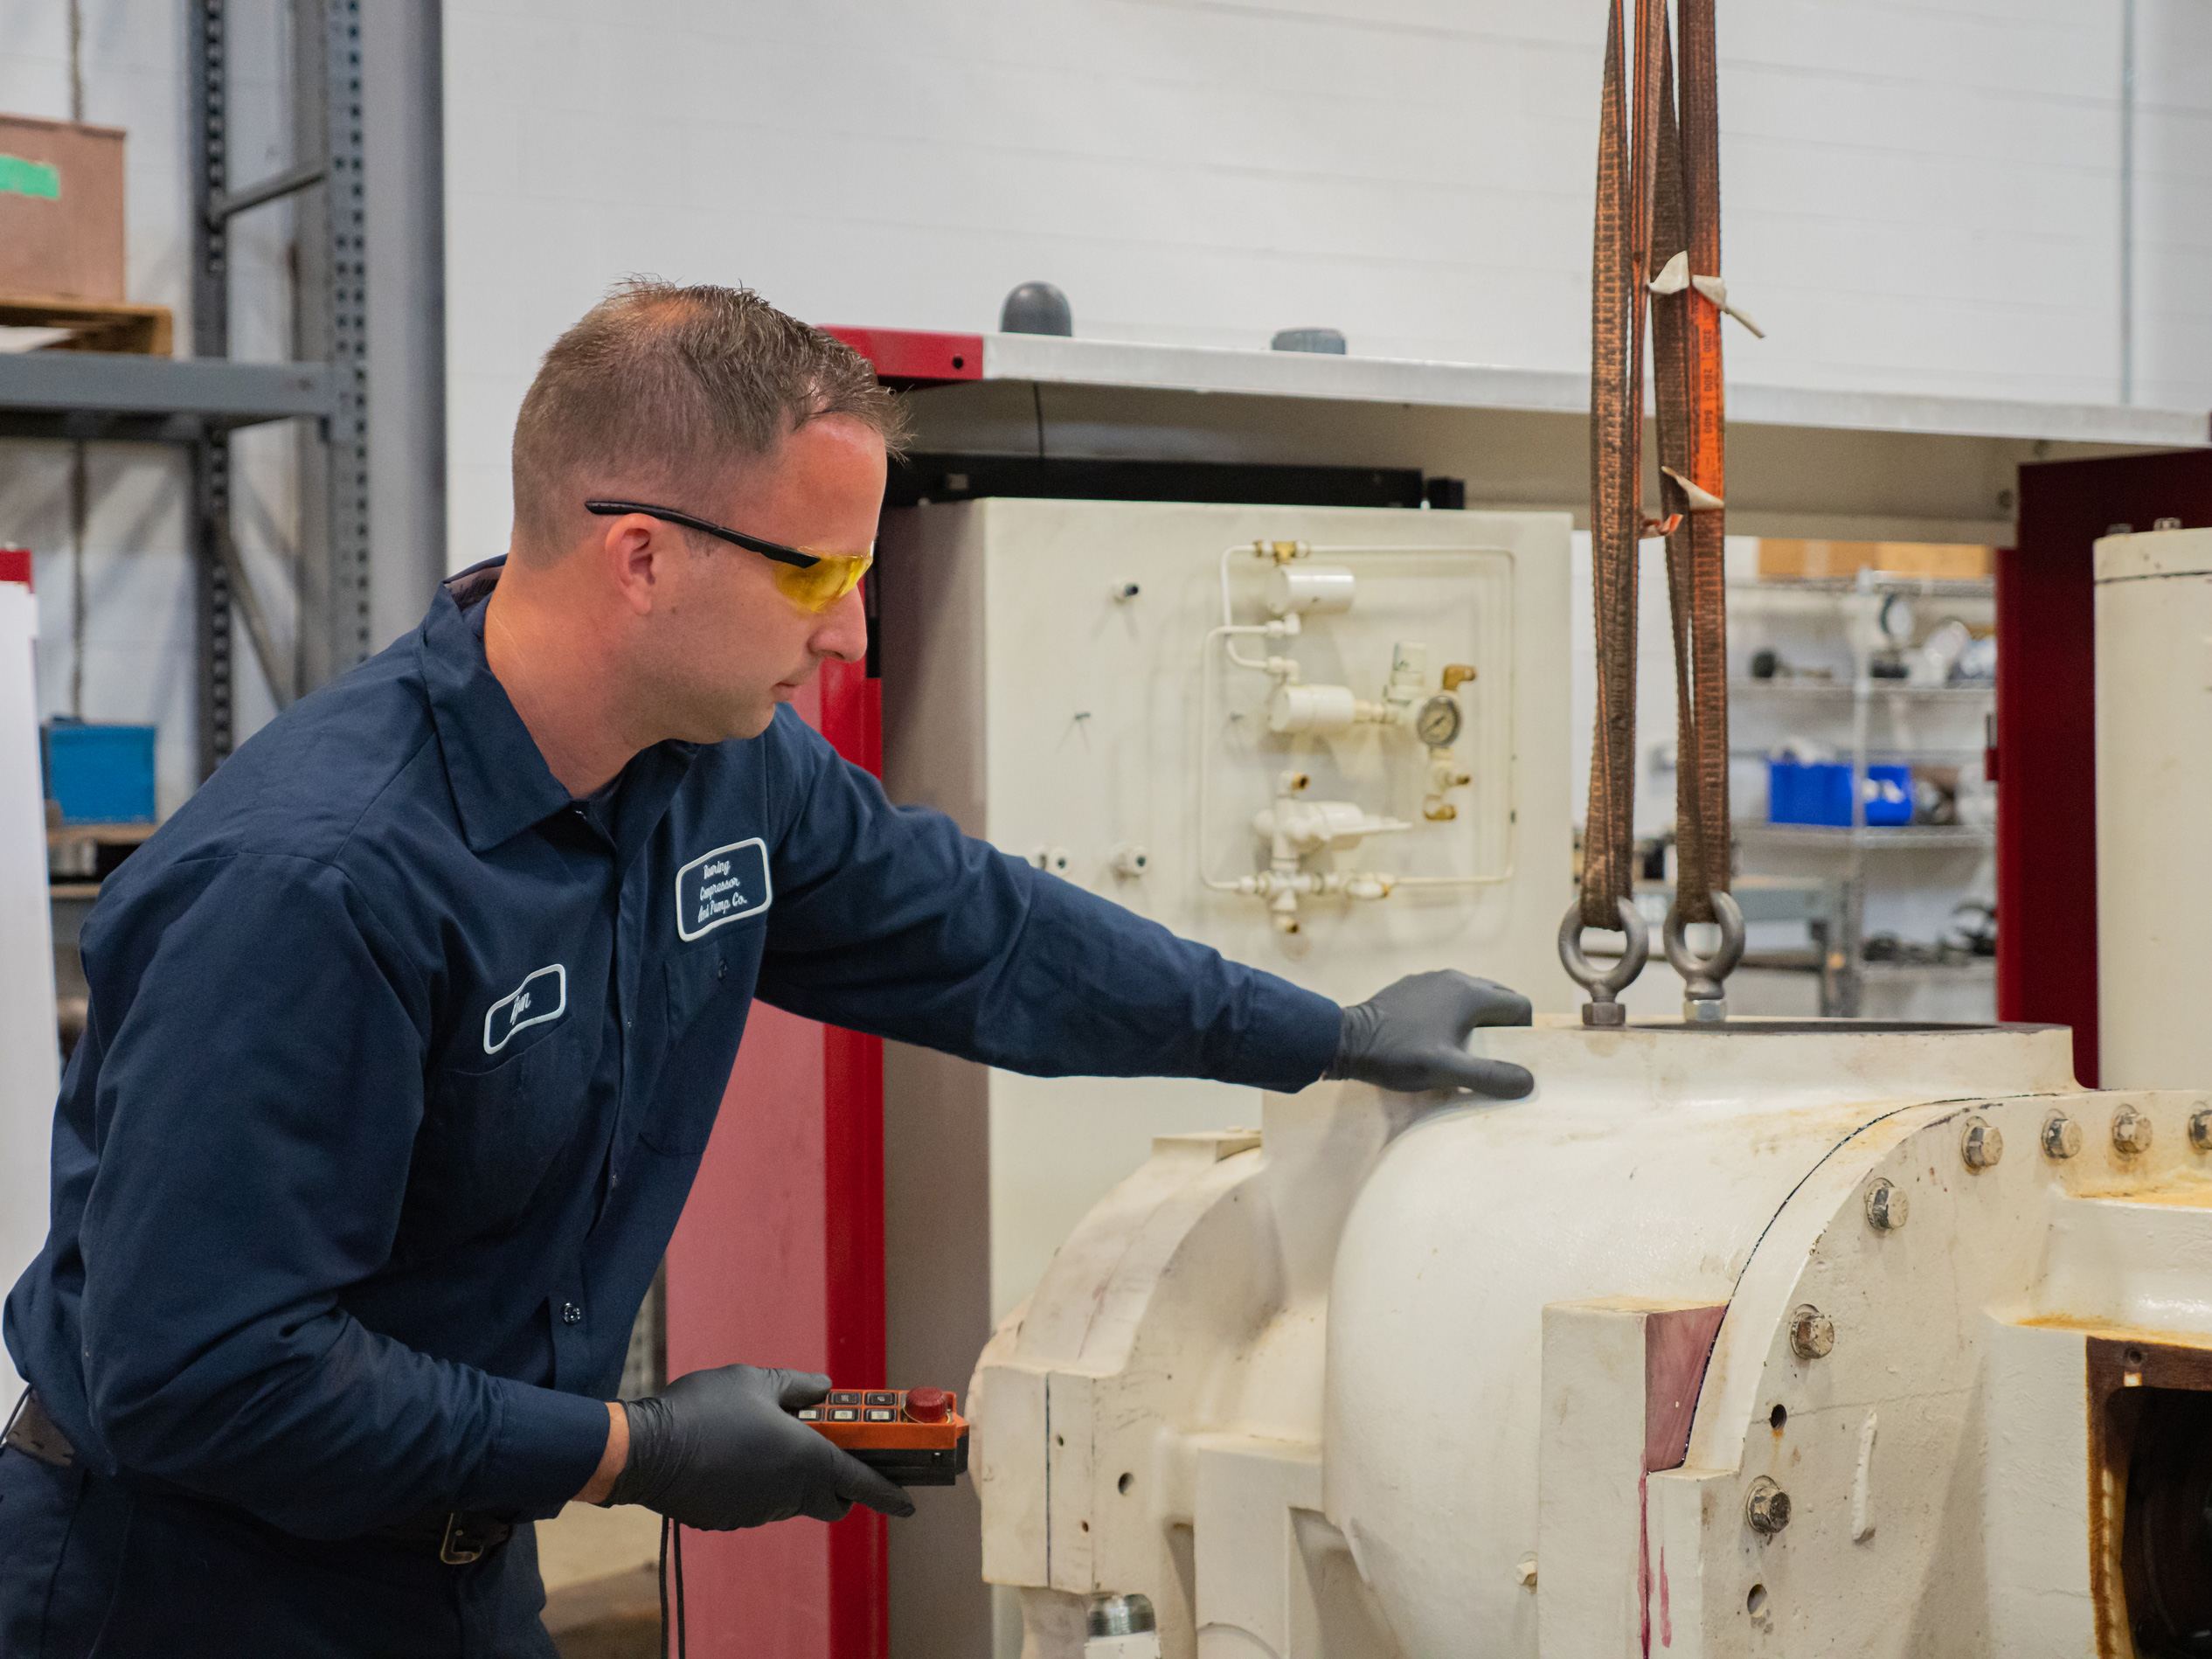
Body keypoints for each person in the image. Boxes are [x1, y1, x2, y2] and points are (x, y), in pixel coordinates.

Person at [0, 281, 1535, 1656]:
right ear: (644, 558)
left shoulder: (718, 775)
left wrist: (1328, 1034)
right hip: (184, 1586)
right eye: (818, 577)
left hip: (456, 1567)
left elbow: (989, 937)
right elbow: (203, 1373)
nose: (854, 638)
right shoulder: (318, 883)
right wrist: (633, 1452)